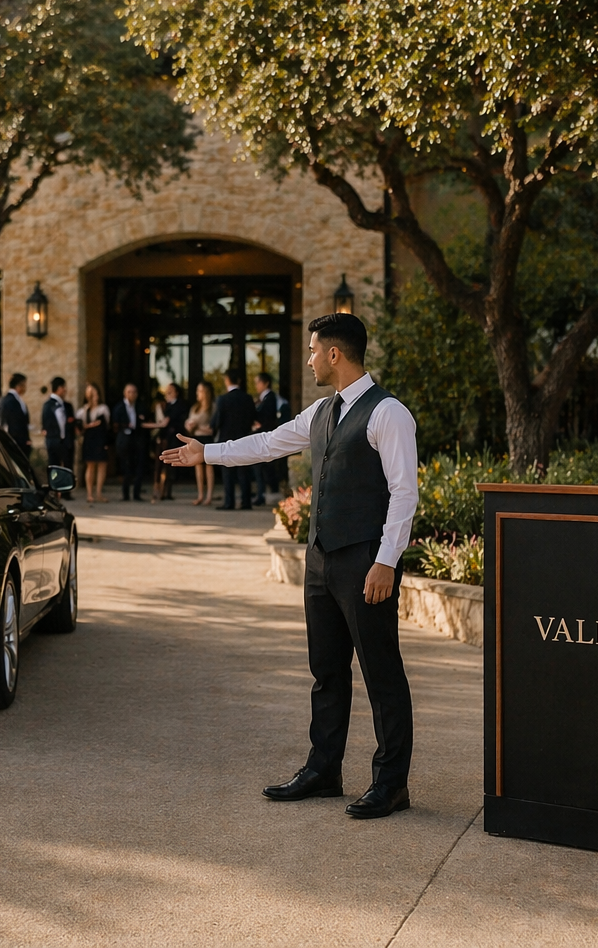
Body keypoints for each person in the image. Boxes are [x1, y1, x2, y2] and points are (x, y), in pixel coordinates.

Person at [161, 312, 419, 819]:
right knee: (325, 671)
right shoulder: (321, 411)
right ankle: (324, 770)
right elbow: (266, 443)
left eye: (311, 350)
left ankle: (391, 784)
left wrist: (387, 561)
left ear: (334, 354)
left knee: (381, 674)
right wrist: (206, 453)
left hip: (367, 561)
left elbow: (404, 492)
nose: (308, 359)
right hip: (322, 560)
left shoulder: (389, 414)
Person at [209, 367, 256, 510]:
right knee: (243, 472)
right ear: (240, 381)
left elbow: (217, 420)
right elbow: (253, 417)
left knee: (228, 473)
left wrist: (213, 428)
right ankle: (246, 502)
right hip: (244, 437)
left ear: (226, 380)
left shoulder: (223, 399)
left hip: (226, 438)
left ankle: (229, 502)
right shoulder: (247, 398)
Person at [111, 382, 149, 502]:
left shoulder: (141, 406)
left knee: (139, 466)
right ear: (125, 393)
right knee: (125, 467)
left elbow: (145, 421)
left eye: (133, 392)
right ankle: (125, 494)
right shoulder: (119, 408)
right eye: (129, 392)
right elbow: (115, 425)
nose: (131, 394)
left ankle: (136, 494)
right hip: (124, 440)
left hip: (137, 439)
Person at [153, 382, 189, 502]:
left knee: (171, 465)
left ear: (176, 393)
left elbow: (179, 422)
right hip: (163, 438)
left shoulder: (181, 406)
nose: (168, 393)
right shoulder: (164, 406)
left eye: (171, 391)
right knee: (159, 465)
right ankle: (158, 490)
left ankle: (167, 491)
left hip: (173, 438)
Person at [77, 383, 111, 502]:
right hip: (89, 440)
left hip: (100, 439)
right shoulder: (83, 411)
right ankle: (90, 494)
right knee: (90, 465)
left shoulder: (103, 409)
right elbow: (79, 427)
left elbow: (106, 425)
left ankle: (99, 493)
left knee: (102, 465)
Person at [185, 380, 217, 505]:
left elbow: (213, 428)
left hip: (207, 439)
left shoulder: (213, 407)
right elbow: (189, 421)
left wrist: (197, 426)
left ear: (206, 392)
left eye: (200, 390)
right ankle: (200, 495)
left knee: (209, 467)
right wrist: (189, 426)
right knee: (198, 467)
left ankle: (209, 496)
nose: (197, 393)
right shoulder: (195, 407)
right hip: (196, 438)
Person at [41, 377, 73, 498]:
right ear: (59, 388)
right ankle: (54, 491)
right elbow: (45, 424)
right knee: (53, 467)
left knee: (67, 466)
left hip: (65, 441)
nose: (65, 390)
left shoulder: (67, 406)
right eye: (63, 387)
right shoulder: (48, 405)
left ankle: (66, 492)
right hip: (53, 441)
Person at [252, 371, 281, 506]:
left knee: (265, 466)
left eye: (258, 382)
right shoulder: (262, 398)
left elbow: (268, 417)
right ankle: (261, 493)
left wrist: (259, 424)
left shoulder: (270, 398)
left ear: (266, 383)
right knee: (261, 467)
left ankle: (263, 494)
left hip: (266, 435)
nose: (256, 385)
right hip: (262, 433)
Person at [0, 373, 32, 456]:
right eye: (24, 385)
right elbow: (15, 423)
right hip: (16, 443)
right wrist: (24, 440)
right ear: (19, 385)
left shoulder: (13, 400)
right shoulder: (11, 401)